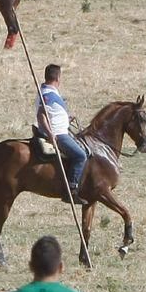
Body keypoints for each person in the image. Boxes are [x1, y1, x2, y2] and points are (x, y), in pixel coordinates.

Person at [33, 65, 87, 204]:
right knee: (81, 156)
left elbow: (51, 113)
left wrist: (66, 119)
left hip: (60, 129)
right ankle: (72, 189)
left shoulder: (48, 91)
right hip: (58, 134)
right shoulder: (48, 94)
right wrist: (50, 134)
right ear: (58, 77)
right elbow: (41, 115)